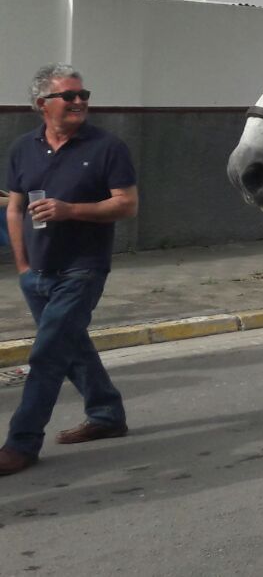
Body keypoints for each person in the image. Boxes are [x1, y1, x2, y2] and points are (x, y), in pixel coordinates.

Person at [3, 65, 139, 477]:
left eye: (84, 95)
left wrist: (70, 210)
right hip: (37, 272)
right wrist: (23, 266)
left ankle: (21, 443)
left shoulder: (107, 147)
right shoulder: (23, 148)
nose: (80, 102)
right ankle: (107, 414)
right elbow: (15, 208)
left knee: (46, 355)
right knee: (71, 345)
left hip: (83, 269)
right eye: (70, 96)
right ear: (42, 104)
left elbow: (126, 204)